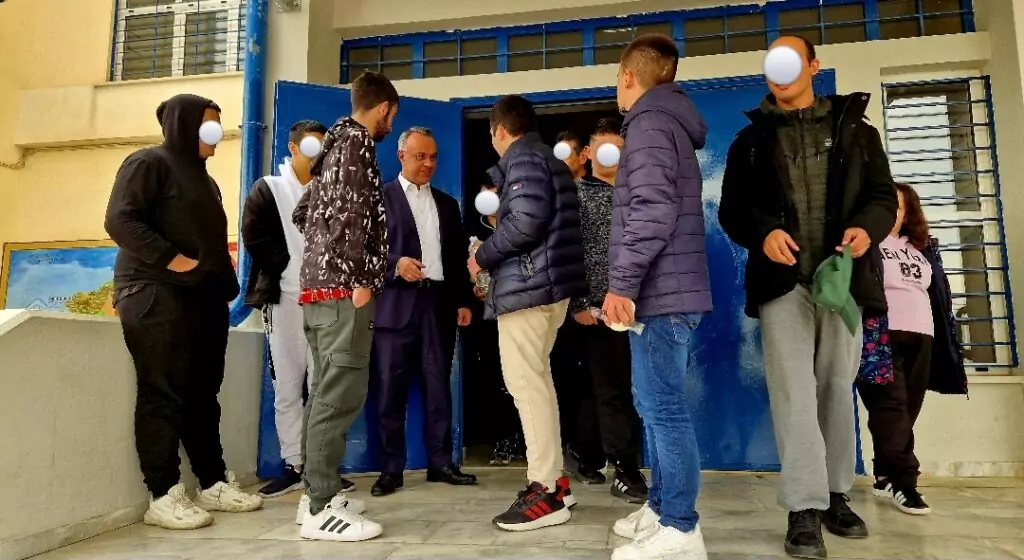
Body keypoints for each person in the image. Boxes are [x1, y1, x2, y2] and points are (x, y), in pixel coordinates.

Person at [718, 36, 897, 559]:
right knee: (793, 391)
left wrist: (867, 229)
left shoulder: (858, 132)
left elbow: (883, 197)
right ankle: (804, 505)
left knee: (836, 387)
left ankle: (836, 494)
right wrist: (764, 232)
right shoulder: (749, 141)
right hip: (783, 284)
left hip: (842, 280)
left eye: (790, 61)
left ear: (813, 66)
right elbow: (733, 211)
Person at [104, 93, 263, 530]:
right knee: (163, 392)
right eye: (208, 124)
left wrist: (221, 284)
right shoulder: (148, 163)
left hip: (203, 299)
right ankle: (162, 494)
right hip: (155, 292)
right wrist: (173, 260)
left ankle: (212, 483)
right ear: (183, 124)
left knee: (203, 395)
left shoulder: (205, 181)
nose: (216, 134)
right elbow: (120, 219)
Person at [602, 34, 713, 560]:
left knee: (664, 409)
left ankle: (681, 527)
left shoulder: (647, 125)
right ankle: (662, 506)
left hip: (660, 293)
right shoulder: (668, 122)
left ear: (628, 76)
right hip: (667, 290)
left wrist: (622, 285)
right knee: (653, 404)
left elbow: (650, 211)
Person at [468, 94, 587, 531]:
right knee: (537, 382)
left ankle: (546, 490)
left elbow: (525, 224)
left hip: (529, 288)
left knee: (525, 383)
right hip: (546, 287)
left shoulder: (523, 160)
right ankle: (556, 481)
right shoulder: (546, 159)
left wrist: (481, 256)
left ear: (500, 130)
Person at [290, 71, 398, 542]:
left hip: (319, 290)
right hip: (342, 293)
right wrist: (360, 278)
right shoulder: (357, 144)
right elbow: (352, 216)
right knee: (338, 397)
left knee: (324, 395)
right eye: (392, 116)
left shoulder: (330, 148)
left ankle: (317, 495)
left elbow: (303, 213)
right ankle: (320, 507)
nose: (390, 124)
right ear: (384, 108)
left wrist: (326, 257)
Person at [241, 120, 359, 498]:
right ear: (292, 148)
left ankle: (321, 467)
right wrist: (289, 267)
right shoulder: (269, 188)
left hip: (327, 301)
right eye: (311, 146)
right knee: (288, 385)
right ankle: (295, 464)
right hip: (285, 302)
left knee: (323, 385)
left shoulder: (333, 190)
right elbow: (253, 236)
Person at [370, 126, 477, 496]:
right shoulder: (379, 198)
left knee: (437, 387)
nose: (428, 163)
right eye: (420, 156)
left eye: (433, 157)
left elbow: (457, 258)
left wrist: (462, 300)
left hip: (438, 305)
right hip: (394, 307)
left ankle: (440, 463)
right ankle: (390, 470)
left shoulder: (447, 204)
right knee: (390, 392)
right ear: (401, 156)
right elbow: (364, 253)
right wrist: (395, 264)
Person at [857, 182, 966, 516]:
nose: (889, 212)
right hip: (879, 334)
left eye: (897, 207)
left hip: (923, 336)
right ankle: (905, 483)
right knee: (890, 407)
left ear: (907, 214)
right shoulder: (867, 242)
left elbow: (937, 294)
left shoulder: (922, 249)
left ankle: (884, 474)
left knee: (906, 411)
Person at [568, 116, 647, 504]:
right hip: (598, 313)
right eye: (605, 148)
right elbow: (567, 255)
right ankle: (626, 471)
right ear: (588, 153)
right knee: (611, 391)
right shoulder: (575, 198)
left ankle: (584, 453)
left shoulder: (640, 195)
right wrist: (580, 304)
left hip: (641, 312)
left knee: (622, 389)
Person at [463, 182, 525, 466]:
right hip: (486, 318)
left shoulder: (521, 227)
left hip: (519, 311)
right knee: (493, 376)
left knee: (522, 376)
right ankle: (501, 438)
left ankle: (524, 438)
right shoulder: (471, 231)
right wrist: (471, 289)